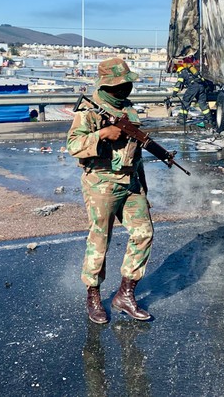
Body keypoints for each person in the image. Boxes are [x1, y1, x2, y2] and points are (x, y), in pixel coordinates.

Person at [67, 58, 153, 324]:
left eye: (127, 84)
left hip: (131, 182)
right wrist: (103, 134)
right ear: (106, 85)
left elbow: (135, 152)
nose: (126, 89)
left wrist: (143, 187)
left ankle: (125, 294)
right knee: (100, 240)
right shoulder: (90, 111)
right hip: (101, 183)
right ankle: (93, 295)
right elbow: (73, 145)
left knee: (144, 233)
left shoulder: (128, 109)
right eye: (120, 85)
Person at [171, 60, 213, 127]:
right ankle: (210, 120)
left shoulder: (182, 72)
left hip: (193, 87)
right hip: (201, 86)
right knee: (202, 103)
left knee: (186, 101)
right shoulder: (192, 70)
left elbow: (179, 82)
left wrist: (174, 92)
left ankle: (182, 118)